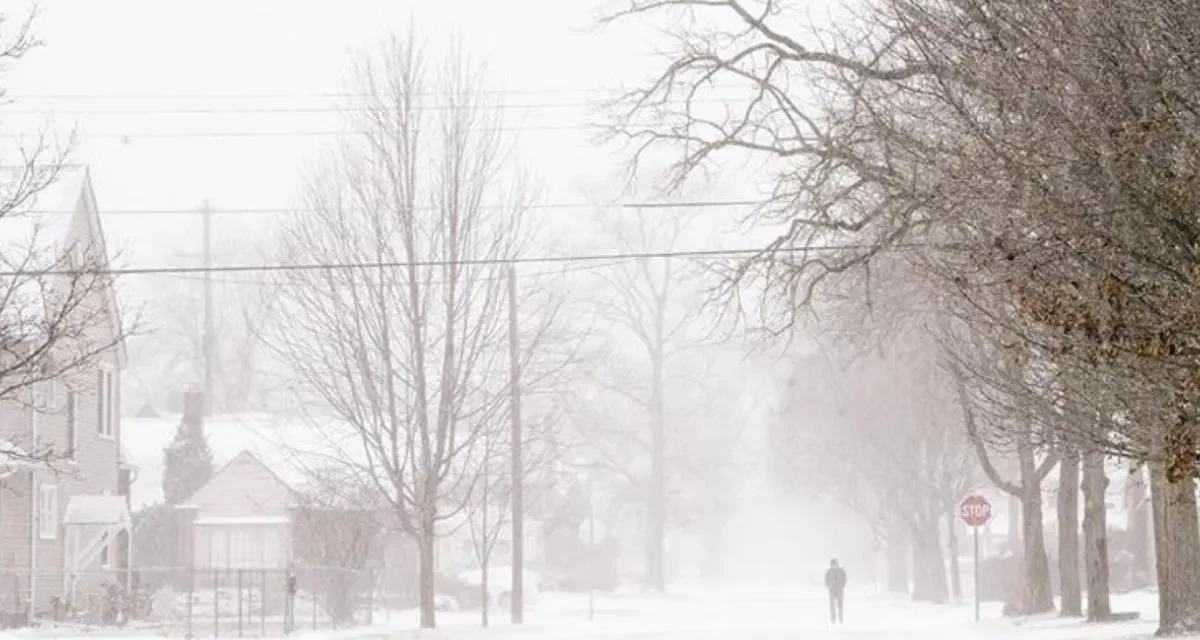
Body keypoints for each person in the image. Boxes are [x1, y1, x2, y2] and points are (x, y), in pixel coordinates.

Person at [824, 558, 847, 623]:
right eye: (832, 565)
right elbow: (826, 579)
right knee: (832, 606)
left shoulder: (841, 571)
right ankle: (833, 619)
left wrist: (842, 585)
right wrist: (829, 586)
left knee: (840, 605)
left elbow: (844, 579)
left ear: (837, 564)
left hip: (839, 590)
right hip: (832, 590)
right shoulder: (829, 571)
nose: (833, 566)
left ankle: (840, 619)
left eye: (834, 564)